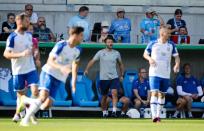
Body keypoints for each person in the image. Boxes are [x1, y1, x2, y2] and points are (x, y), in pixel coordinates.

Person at [19, 26, 84, 126]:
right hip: (48, 72)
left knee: (46, 105)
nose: (82, 37)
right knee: (43, 96)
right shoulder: (61, 45)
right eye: (81, 35)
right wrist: (61, 68)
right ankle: (25, 120)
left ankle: (28, 102)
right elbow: (50, 61)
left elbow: (75, 66)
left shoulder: (79, 49)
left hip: (59, 78)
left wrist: (73, 83)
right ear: (75, 35)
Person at [3, 13, 39, 124]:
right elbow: (6, 54)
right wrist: (21, 54)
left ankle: (27, 112)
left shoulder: (29, 35)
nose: (29, 23)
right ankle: (19, 113)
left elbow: (32, 48)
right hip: (18, 70)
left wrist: (35, 52)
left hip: (30, 68)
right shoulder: (12, 37)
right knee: (21, 96)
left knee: (35, 91)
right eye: (27, 21)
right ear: (20, 22)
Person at [143, 26, 180, 122]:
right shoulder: (153, 43)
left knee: (162, 95)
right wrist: (150, 59)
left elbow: (176, 57)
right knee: (154, 93)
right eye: (168, 33)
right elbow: (145, 54)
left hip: (166, 74)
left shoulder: (171, 45)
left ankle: (158, 116)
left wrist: (176, 64)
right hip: (154, 73)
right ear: (162, 33)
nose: (169, 34)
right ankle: (154, 116)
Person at [84, 35, 124, 117]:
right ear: (105, 43)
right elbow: (92, 61)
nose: (110, 43)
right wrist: (87, 69)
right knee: (104, 96)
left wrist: (121, 75)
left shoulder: (116, 53)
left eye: (111, 42)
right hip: (103, 78)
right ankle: (104, 112)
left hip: (114, 77)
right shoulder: (100, 52)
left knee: (114, 93)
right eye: (109, 42)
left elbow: (121, 64)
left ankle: (114, 112)